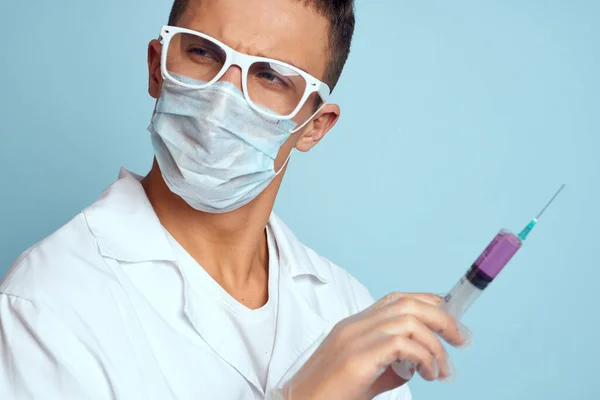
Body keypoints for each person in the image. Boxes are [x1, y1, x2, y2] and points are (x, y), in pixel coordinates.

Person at [0, 0, 472, 399]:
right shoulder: (47, 304)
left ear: (314, 126)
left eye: (270, 76)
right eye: (203, 53)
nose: (222, 98)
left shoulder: (346, 306)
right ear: (157, 67)